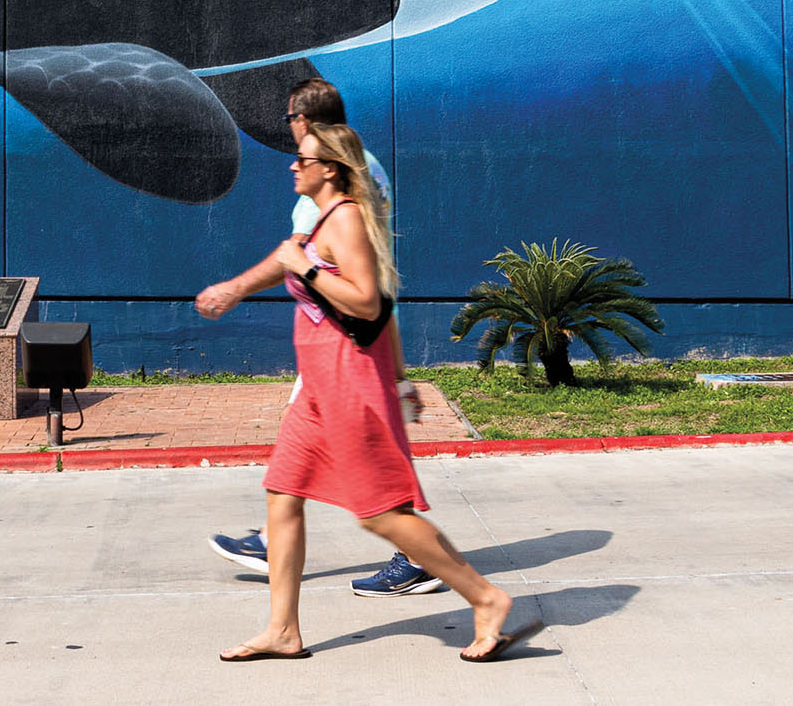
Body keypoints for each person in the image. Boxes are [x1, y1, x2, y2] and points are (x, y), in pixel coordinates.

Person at [207, 123, 543, 663]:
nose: (293, 166)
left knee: (379, 513)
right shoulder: (322, 224)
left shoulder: (347, 223)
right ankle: (282, 630)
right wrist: (238, 287)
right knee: (282, 494)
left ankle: (486, 598)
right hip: (318, 389)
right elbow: (311, 276)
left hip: (348, 385)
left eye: (303, 159)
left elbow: (367, 303)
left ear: (330, 169)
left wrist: (308, 268)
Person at [195, 78, 441, 597]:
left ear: (303, 120)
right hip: (350, 334)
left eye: (290, 121)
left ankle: (447, 574)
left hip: (341, 340)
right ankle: (277, 556)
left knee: (375, 474)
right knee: (300, 470)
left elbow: (303, 256)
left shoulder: (328, 183)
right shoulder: (365, 163)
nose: (291, 150)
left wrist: (235, 288)